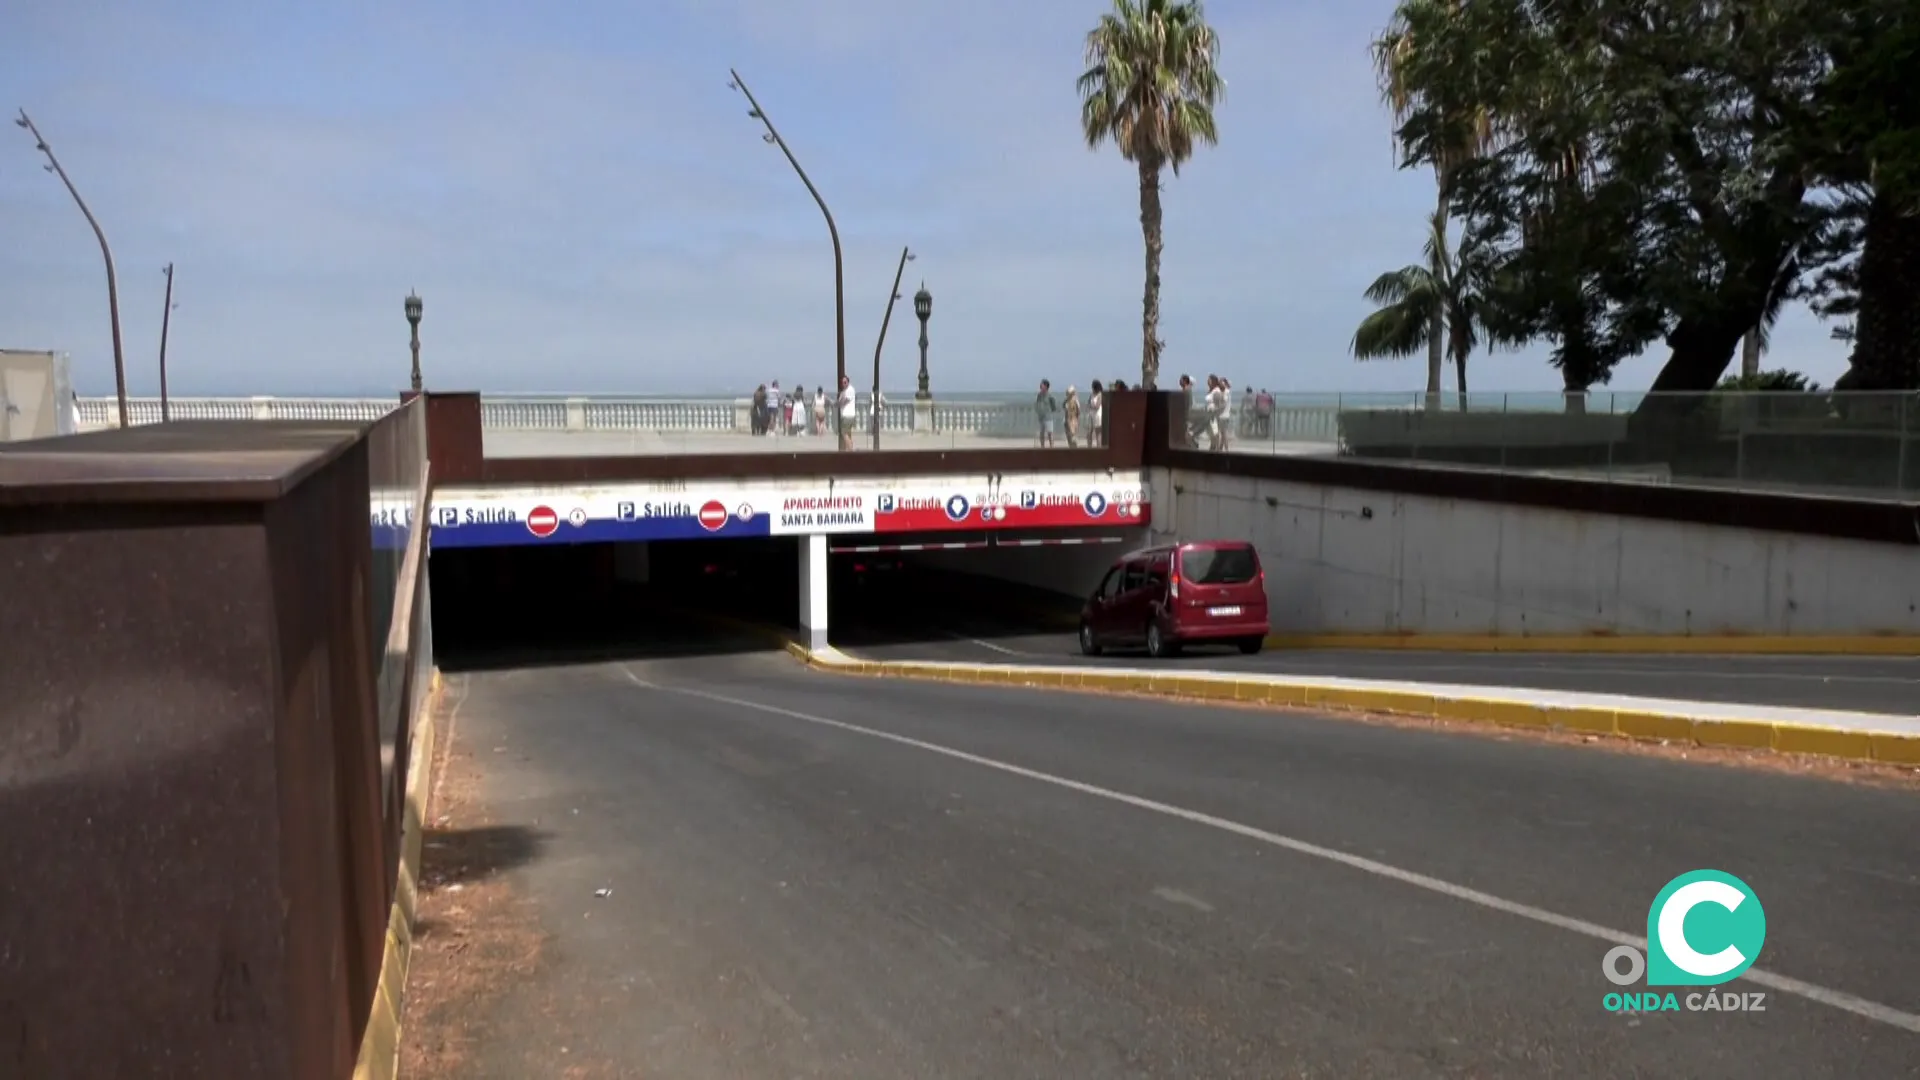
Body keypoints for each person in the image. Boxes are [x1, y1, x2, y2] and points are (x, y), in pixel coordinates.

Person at [1034, 379, 1059, 447]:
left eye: (1042, 384)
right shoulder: (1039, 395)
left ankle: (1051, 447)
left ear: (1046, 386)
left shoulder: (1050, 396)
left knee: (1050, 433)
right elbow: (1037, 403)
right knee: (1041, 433)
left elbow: (1054, 407)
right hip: (1041, 417)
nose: (1040, 386)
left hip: (1048, 418)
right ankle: (1042, 447)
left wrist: (1049, 411)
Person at [837, 375, 856, 450]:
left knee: (844, 433)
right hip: (847, 415)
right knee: (848, 434)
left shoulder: (850, 390)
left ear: (848, 382)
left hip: (847, 415)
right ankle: (850, 449)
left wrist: (839, 403)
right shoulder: (845, 390)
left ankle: (850, 450)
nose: (844, 384)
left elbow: (844, 401)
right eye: (842, 383)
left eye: (845, 382)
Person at [1087, 380, 1105, 448]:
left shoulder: (1100, 394)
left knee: (1098, 434)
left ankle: (1099, 448)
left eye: (1093, 387)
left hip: (1098, 415)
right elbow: (1088, 403)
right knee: (1089, 433)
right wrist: (1091, 406)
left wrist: (1091, 406)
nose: (1092, 388)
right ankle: (1089, 447)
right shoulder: (1091, 394)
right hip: (1091, 415)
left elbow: (1097, 406)